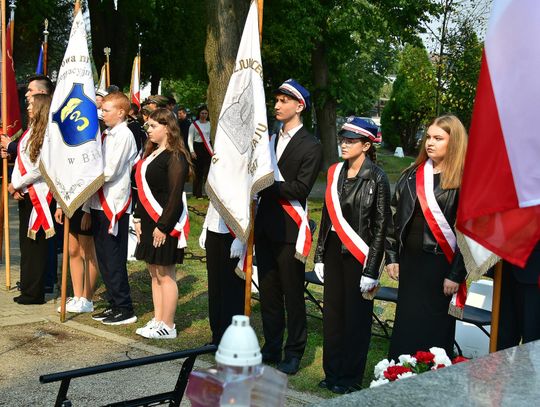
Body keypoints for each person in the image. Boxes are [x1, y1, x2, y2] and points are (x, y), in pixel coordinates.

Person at [313, 117, 390, 394]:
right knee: (333, 315)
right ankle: (331, 372)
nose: (343, 144)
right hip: (334, 250)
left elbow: (382, 227)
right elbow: (326, 219)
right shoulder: (335, 173)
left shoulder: (377, 177)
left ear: (367, 145)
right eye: (343, 139)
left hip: (360, 255)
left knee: (356, 319)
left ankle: (350, 378)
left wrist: (372, 269)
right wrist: (319, 255)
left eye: (351, 140)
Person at [386, 114, 468, 360]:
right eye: (428, 137)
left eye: (438, 138)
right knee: (407, 320)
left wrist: (455, 274)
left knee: (433, 326)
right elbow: (394, 219)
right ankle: (398, 370)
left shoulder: (463, 180)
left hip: (440, 265)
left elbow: (467, 234)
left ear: (453, 143)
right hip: (410, 262)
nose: (429, 143)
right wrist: (392, 257)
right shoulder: (411, 174)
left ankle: (431, 375)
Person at [255, 79, 323, 375]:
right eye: (277, 100)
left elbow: (299, 189)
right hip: (265, 226)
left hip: (291, 229)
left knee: (292, 293)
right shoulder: (268, 140)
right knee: (268, 291)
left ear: (299, 106)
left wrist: (264, 186)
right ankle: (271, 346)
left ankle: (294, 351)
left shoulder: (311, 145)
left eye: (284, 101)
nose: (277, 105)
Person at [133, 108, 193, 339]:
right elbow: (142, 192)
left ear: (168, 127)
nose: (148, 129)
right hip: (148, 221)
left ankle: (168, 324)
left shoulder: (176, 156)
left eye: (153, 126)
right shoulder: (152, 154)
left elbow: (175, 196)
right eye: (148, 126)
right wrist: (138, 218)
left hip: (164, 223)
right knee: (154, 272)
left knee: (166, 273)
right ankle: (158, 319)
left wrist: (164, 226)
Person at [83, 92, 138, 325]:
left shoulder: (124, 135)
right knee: (104, 257)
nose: (101, 114)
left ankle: (125, 307)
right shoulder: (106, 134)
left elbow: (112, 170)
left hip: (113, 204)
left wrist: (83, 181)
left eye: (106, 110)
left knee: (114, 257)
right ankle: (115, 303)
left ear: (121, 112)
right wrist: (86, 204)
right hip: (98, 202)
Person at [7, 94, 54, 304]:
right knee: (26, 246)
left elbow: (39, 168)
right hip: (26, 193)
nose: (28, 108)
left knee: (36, 246)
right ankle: (27, 288)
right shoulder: (29, 132)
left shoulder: (47, 134)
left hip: (40, 196)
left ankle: (35, 293)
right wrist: (16, 186)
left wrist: (16, 184)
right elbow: (20, 162)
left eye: (32, 105)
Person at [199, 202, 246, 345]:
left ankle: (232, 338)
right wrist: (205, 226)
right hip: (214, 229)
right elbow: (214, 199)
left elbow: (246, 202)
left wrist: (241, 237)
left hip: (234, 232)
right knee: (215, 286)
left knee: (232, 288)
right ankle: (217, 335)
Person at [54, 205, 99, 313]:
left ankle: (86, 299)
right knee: (73, 251)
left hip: (86, 205)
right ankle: (77, 296)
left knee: (86, 253)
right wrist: (59, 206)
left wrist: (88, 211)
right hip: (71, 205)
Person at [497, 242, 540, 350]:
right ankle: (504, 366)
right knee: (504, 335)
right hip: (505, 269)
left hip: (533, 276)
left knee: (531, 336)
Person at [187, 106, 212, 199]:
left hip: (207, 149)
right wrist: (192, 151)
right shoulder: (194, 125)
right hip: (197, 148)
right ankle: (198, 193)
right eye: (202, 113)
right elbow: (190, 139)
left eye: (206, 113)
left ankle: (209, 193)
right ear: (199, 114)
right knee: (198, 173)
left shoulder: (210, 124)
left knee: (208, 172)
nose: (204, 115)